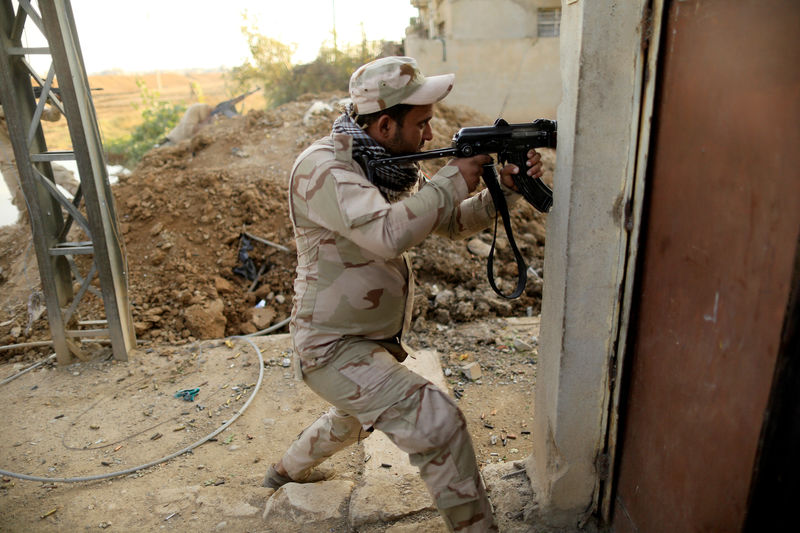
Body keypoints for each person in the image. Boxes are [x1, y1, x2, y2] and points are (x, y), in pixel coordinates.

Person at [265, 56, 544, 532]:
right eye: (423, 123)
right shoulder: (324, 169)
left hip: (369, 342)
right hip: (331, 348)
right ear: (385, 123)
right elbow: (388, 234)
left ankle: (284, 471)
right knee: (437, 422)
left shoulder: (382, 163)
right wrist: (452, 178)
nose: (431, 136)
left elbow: (450, 222)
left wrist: (505, 191)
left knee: (350, 419)